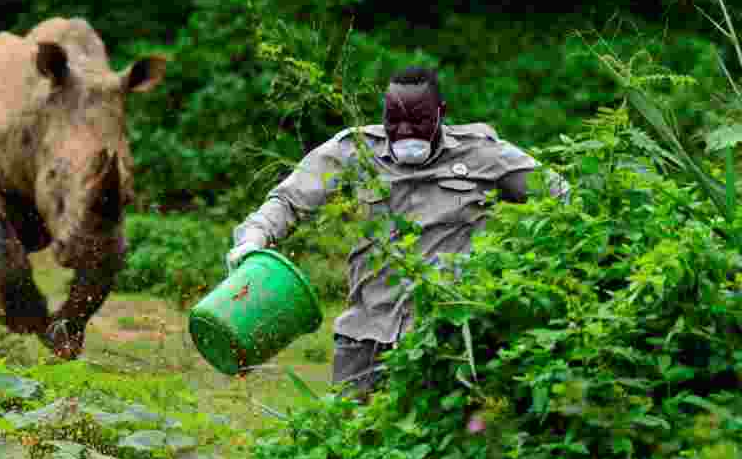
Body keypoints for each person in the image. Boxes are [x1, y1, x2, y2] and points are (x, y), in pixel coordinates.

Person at [226, 66, 569, 399]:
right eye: (394, 119)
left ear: (441, 113)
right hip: (365, 335)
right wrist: (253, 239)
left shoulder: (483, 153)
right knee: (348, 441)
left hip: (447, 338)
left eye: (417, 120)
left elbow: (561, 198)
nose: (404, 130)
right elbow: (289, 199)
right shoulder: (356, 150)